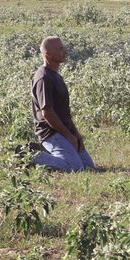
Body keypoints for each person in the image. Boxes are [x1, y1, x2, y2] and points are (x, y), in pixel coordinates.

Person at [30, 36, 95, 172]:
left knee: (88, 167)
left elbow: (63, 111)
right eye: (60, 48)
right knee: (75, 167)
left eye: (63, 47)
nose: (64, 51)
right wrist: (68, 135)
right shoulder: (43, 78)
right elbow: (47, 113)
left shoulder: (55, 75)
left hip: (63, 131)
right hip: (51, 133)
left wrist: (76, 134)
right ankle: (29, 155)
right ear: (47, 54)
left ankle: (48, 155)